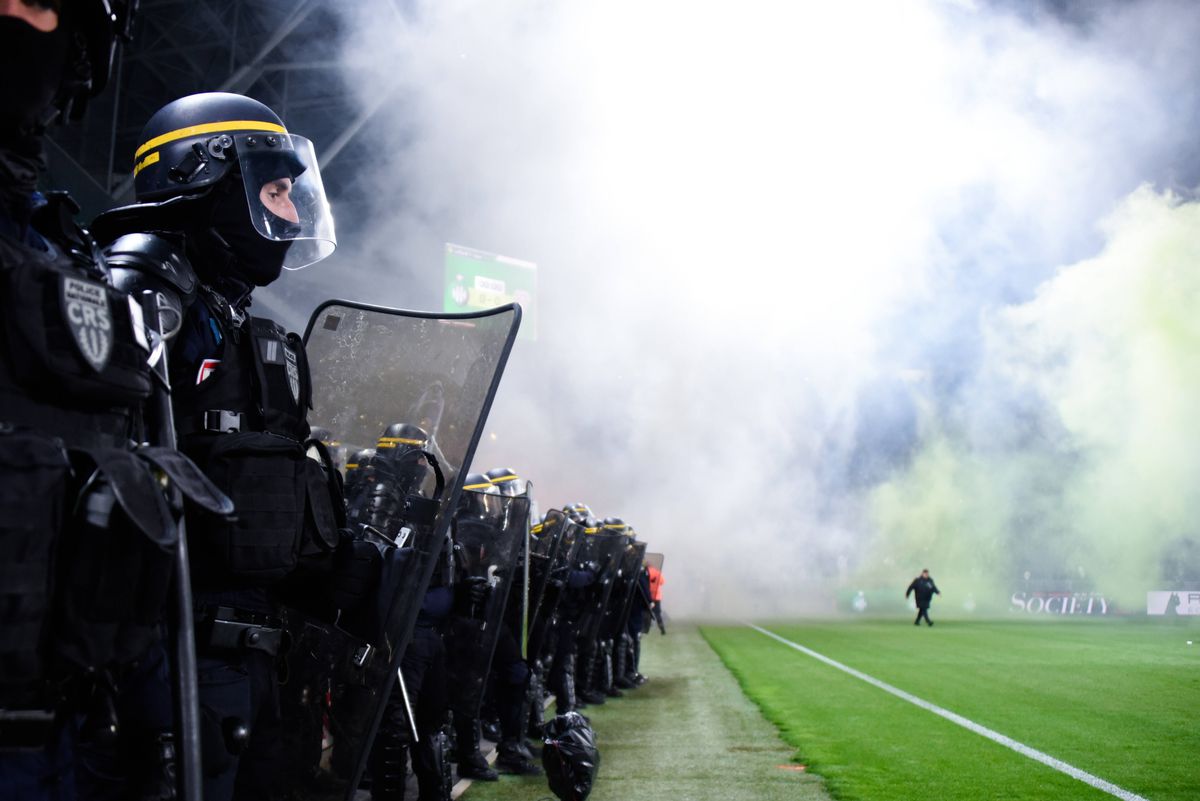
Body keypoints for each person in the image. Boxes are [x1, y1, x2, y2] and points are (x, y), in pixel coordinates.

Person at [90, 91, 344, 801]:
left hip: (249, 659)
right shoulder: (145, 292)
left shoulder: (232, 317)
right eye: (274, 190)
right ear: (201, 177)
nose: (292, 215)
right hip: (173, 661)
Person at [0, 4, 214, 800]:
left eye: (39, 5)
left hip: (67, 730)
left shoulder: (66, 259)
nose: (19, 21)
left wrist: (152, 725)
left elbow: (121, 496)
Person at [647, 562, 666, 635]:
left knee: (645, 612)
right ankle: (662, 629)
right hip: (656, 596)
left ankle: (645, 628)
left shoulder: (645, 572)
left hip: (647, 595)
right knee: (658, 614)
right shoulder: (657, 572)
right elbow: (662, 582)